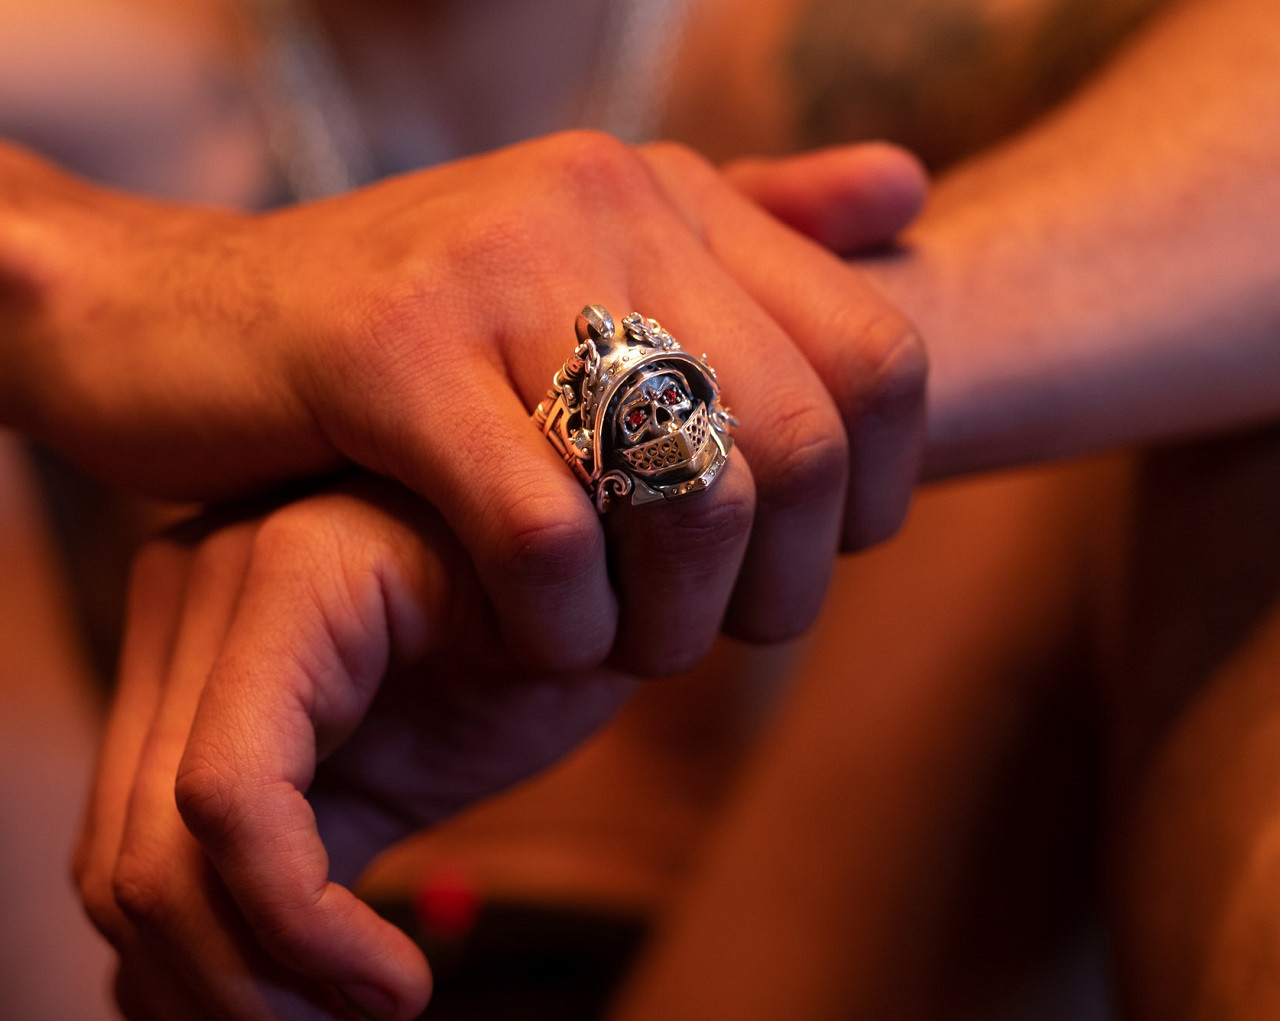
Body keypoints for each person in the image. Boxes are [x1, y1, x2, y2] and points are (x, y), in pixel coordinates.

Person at [4, 0, 1280, 1016]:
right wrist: (103, 288)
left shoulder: (849, 54)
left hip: (825, 918)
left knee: (1200, 400)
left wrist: (785, 367)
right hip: (193, 956)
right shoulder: (82, 83)